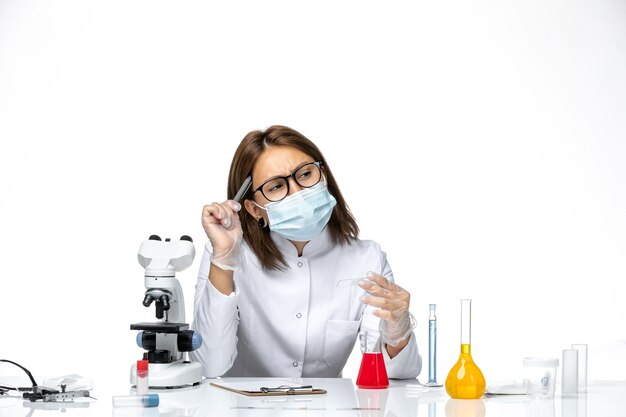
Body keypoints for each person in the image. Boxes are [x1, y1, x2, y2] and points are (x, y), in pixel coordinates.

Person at [190, 125, 421, 379]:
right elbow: (209, 365)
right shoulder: (229, 255)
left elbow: (395, 376)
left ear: (323, 175)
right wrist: (224, 259)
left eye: (305, 174)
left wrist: (398, 330)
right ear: (255, 209)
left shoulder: (366, 258)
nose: (298, 192)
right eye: (276, 187)